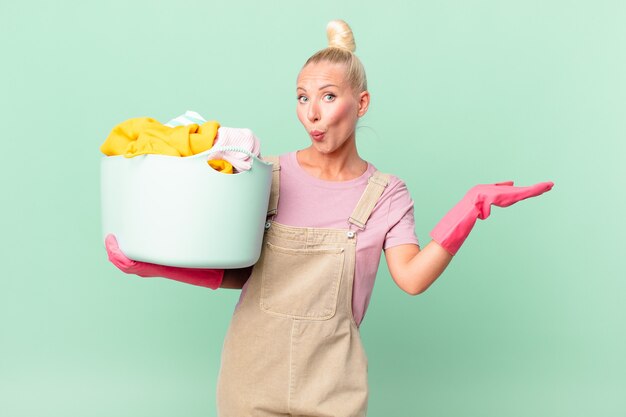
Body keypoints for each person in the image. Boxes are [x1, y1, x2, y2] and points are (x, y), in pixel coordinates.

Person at [105, 20, 553, 417]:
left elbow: (412, 279)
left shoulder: (386, 195)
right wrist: (150, 266)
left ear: (361, 103)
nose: (312, 113)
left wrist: (470, 207)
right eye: (302, 98)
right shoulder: (266, 176)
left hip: (333, 386)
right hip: (250, 378)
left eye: (328, 96)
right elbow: (240, 272)